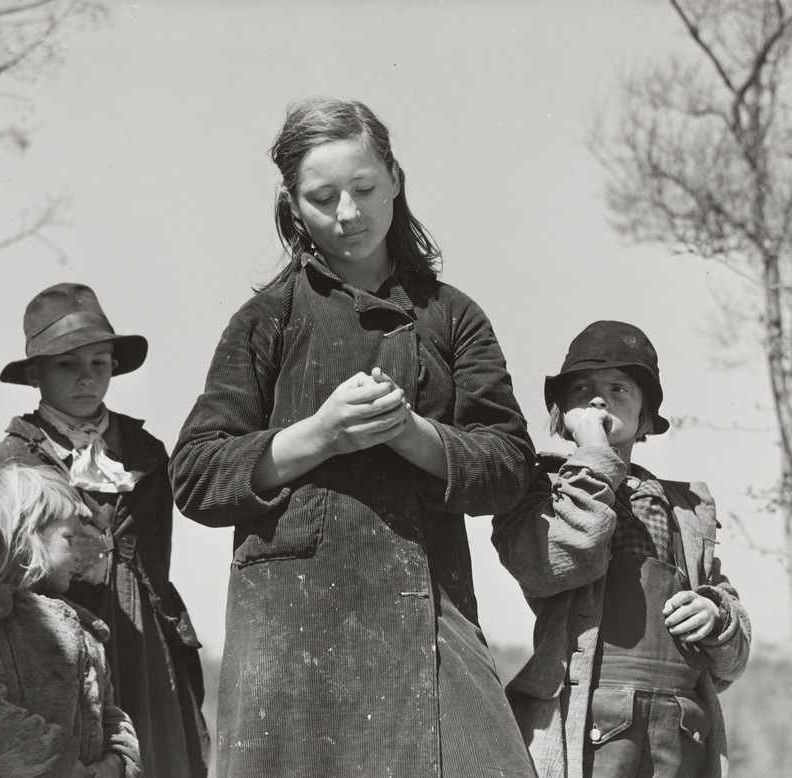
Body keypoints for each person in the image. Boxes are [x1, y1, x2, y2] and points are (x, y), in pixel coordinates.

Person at [170, 97, 538, 778]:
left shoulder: (451, 317)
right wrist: (319, 435)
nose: (347, 213)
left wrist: (414, 433)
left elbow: (511, 464)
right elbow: (194, 475)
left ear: (395, 177)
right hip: (290, 628)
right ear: (292, 204)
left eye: (364, 188)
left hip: (428, 612)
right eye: (322, 197)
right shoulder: (265, 320)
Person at [491, 320, 751, 778]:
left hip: (682, 730)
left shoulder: (685, 510)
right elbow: (561, 558)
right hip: (585, 722)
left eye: (618, 388)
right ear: (561, 414)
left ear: (645, 415)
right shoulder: (539, 492)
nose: (598, 399)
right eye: (583, 389)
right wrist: (594, 456)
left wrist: (716, 616)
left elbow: (733, 659)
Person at [0, 283, 209, 778]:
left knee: (157, 757)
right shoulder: (8, 467)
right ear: (36, 373)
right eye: (67, 365)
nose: (87, 379)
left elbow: (155, 553)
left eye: (99, 364)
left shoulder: (145, 450)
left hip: (146, 645)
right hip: (59, 651)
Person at [0, 463, 141, 778]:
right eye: (69, 538)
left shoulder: (86, 632)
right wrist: (63, 765)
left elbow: (108, 715)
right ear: (26, 536)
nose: (79, 554)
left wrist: (117, 761)